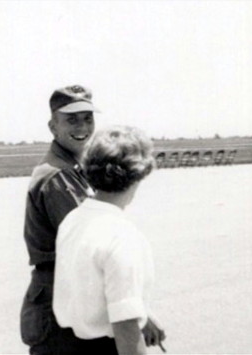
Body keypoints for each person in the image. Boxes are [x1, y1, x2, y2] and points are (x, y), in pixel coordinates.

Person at [53, 126, 166, 355]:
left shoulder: (73, 220)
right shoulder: (121, 235)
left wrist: (141, 312)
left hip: (69, 345)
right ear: (138, 175)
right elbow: (125, 328)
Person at [20, 85, 100, 355]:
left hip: (68, 298)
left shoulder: (74, 169)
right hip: (60, 308)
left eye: (88, 118)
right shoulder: (57, 176)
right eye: (72, 119)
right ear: (53, 126)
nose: (83, 126)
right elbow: (91, 247)